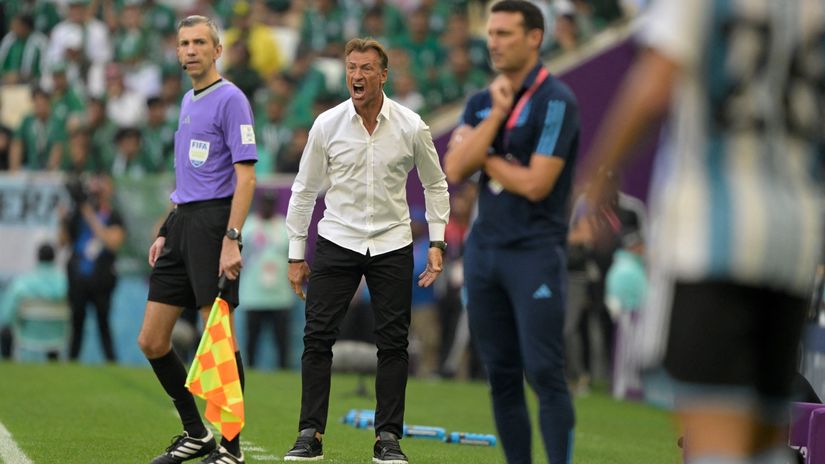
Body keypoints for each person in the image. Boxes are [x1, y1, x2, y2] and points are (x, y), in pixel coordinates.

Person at [581, 1, 825, 463]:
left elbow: (655, 85)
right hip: (793, 240)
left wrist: (598, 177)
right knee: (763, 435)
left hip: (715, 238)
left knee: (712, 436)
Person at [283, 37, 449, 463]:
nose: (356, 76)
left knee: (393, 344)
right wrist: (296, 254)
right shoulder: (326, 124)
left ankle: (387, 439)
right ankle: (310, 434)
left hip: (393, 243)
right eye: (351, 68)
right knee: (316, 338)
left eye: (365, 69)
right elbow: (303, 191)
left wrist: (436, 241)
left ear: (383, 75)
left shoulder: (412, 125)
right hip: (338, 239)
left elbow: (435, 184)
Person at [442, 1, 579, 462]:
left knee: (544, 371)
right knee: (500, 373)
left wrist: (485, 154)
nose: (493, 42)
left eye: (504, 33)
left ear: (534, 37)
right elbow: (455, 167)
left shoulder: (556, 100)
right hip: (485, 254)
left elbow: (537, 184)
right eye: (491, 33)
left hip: (534, 253)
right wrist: (496, 119)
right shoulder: (482, 101)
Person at [136, 15, 257, 464]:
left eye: (199, 42)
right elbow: (191, 174)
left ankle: (231, 448)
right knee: (151, 340)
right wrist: (168, 228)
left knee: (218, 337)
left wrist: (231, 238)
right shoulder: (188, 99)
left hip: (213, 226)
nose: (190, 50)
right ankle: (196, 432)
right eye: (184, 43)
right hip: (183, 223)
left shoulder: (231, 100)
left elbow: (246, 178)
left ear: (217, 50)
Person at [61, 174, 125, 362]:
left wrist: (89, 215)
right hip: (78, 277)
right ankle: (72, 360)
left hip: (102, 279)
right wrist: (64, 219)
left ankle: (111, 360)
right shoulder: (78, 214)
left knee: (103, 323)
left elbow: (113, 242)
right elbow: (63, 241)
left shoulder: (113, 216)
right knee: (76, 323)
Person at [239, 190, 295, 369]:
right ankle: (250, 370)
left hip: (280, 295)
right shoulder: (248, 227)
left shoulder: (284, 226)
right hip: (254, 295)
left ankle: (283, 373)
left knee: (282, 341)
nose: (267, 207)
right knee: (252, 339)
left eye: (271, 204)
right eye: (264, 203)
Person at [0, 243, 67, 361]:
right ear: (54, 258)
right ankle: (54, 364)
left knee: (5, 331)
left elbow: (8, 313)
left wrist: (10, 322)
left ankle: (8, 366)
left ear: (37, 258)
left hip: (28, 333)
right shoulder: (64, 282)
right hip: (56, 334)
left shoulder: (24, 281)